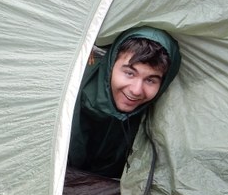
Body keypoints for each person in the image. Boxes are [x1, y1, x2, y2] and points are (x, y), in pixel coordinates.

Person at [67, 26, 182, 178]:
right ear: (111, 64)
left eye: (150, 80)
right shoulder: (72, 93)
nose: (136, 90)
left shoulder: (160, 113)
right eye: (129, 73)